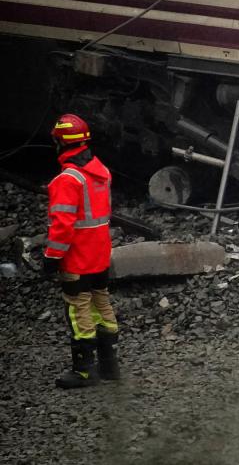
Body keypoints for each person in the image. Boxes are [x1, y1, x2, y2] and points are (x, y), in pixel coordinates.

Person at [43, 114, 119, 389]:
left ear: (61, 143)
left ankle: (84, 371)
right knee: (102, 304)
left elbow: (63, 226)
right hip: (100, 254)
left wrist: (52, 257)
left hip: (77, 258)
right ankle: (110, 367)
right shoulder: (102, 172)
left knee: (78, 310)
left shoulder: (68, 179)